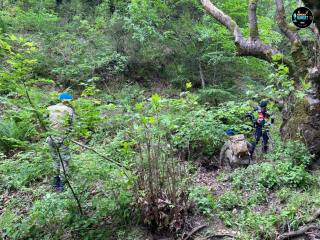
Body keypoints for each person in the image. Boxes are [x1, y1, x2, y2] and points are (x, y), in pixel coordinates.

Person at [44, 93, 75, 193]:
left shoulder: (49, 108)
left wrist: (47, 132)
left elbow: (41, 122)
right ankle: (62, 184)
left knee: (55, 160)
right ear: (67, 101)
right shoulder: (69, 110)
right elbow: (72, 125)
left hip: (51, 138)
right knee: (64, 161)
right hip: (62, 139)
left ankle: (55, 182)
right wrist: (67, 134)